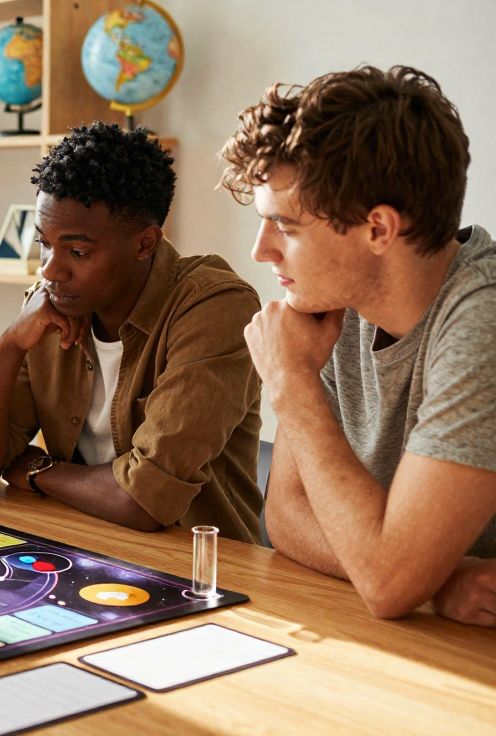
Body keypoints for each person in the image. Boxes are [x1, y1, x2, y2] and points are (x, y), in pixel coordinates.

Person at [221, 65, 496, 625]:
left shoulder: (482, 321)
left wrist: (290, 384)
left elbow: (389, 584)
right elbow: (289, 515)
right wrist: (435, 583)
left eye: (287, 227)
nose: (260, 251)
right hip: (435, 634)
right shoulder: (333, 305)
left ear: (378, 229)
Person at [0, 122, 264, 542]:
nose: (49, 270)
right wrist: (9, 345)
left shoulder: (214, 307)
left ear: (145, 244)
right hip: (84, 547)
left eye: (78, 252)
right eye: (44, 243)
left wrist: (38, 470)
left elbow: (144, 499)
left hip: (203, 573)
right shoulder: (48, 305)